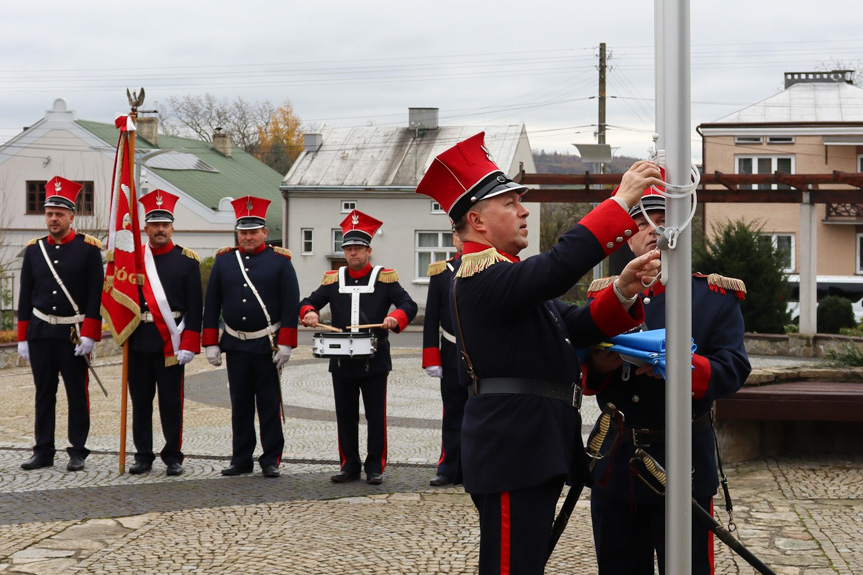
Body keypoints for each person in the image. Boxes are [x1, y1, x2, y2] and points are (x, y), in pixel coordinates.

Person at [415, 131, 663, 574]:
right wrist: (619, 204)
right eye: (510, 204)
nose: (523, 209)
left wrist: (624, 290)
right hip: (515, 448)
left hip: (529, 446)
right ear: (477, 220)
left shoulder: (510, 280)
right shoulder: (480, 276)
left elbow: (575, 324)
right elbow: (556, 266)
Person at [584, 187, 751, 575]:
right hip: (617, 462)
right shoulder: (603, 296)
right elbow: (585, 375)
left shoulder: (713, 296)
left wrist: (679, 366)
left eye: (659, 222)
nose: (649, 232)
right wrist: (599, 362)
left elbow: (733, 370)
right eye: (638, 223)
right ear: (625, 238)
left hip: (683, 462)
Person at [300, 210, 418, 485]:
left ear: (368, 250)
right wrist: (309, 313)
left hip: (374, 360)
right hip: (341, 360)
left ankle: (375, 466)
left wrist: (395, 318)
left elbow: (408, 305)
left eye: (358, 249)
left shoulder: (384, 278)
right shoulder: (333, 279)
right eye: (348, 249)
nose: (353, 254)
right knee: (345, 416)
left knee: (376, 416)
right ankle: (349, 464)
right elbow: (308, 301)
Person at [203, 196, 299, 478]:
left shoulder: (280, 262)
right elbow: (213, 302)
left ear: (264, 233)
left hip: (266, 343)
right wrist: (210, 341)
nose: (247, 237)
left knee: (268, 403)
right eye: (243, 232)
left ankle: (271, 458)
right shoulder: (224, 261)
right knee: (240, 404)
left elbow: (290, 304)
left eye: (253, 231)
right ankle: (241, 458)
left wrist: (287, 342)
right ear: (237, 233)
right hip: (235, 342)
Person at [17, 176, 104, 472]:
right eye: (49, 213)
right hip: (41, 331)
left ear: (71, 216)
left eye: (59, 214)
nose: (53, 219)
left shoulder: (89, 249)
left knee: (77, 393)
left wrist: (90, 333)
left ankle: (77, 450)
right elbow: (25, 295)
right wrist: (22, 337)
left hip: (73, 334)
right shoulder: (33, 250)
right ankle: (43, 450)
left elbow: (95, 295)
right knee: (44, 393)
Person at [126, 190, 202, 477]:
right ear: (145, 228)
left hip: (172, 342)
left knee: (172, 403)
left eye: (165, 224)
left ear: (172, 227)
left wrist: (190, 344)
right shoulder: (132, 261)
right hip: (138, 340)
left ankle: (173, 455)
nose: (160, 229)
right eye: (154, 224)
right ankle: (142, 455)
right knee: (140, 403)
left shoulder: (187, 261)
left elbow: (196, 307)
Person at [422, 229, 467, 487]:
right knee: (452, 413)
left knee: (479, 413)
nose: (461, 239)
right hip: (450, 352)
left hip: (480, 354)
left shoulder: (487, 266)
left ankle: (473, 467)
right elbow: (430, 318)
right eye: (457, 234)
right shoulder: (441, 272)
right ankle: (448, 468)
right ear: (454, 239)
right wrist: (432, 357)